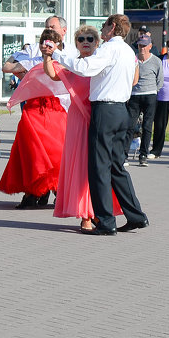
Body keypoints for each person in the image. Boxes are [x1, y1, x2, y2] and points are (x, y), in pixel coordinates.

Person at [58, 14, 149, 236]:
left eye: (104, 25)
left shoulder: (109, 49)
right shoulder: (128, 51)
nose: (102, 29)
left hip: (105, 110)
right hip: (122, 110)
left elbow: (86, 68)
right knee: (117, 167)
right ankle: (136, 215)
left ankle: (106, 221)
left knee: (99, 167)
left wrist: (59, 56)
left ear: (113, 27)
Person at [42, 25, 122, 231]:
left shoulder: (102, 63)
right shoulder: (72, 66)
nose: (85, 42)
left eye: (90, 38)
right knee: (81, 168)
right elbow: (52, 75)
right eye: (81, 39)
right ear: (76, 44)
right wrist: (47, 56)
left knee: (100, 168)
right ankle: (85, 214)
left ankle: (99, 212)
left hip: (99, 117)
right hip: (78, 122)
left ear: (97, 42)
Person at [0, 27, 69, 209]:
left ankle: (37, 193)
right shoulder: (60, 62)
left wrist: (15, 57)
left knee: (36, 153)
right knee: (50, 152)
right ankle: (49, 192)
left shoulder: (34, 62)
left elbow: (6, 67)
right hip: (51, 110)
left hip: (41, 110)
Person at [127, 33, 162, 166]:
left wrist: (153, 91)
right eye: (140, 46)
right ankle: (124, 155)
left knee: (147, 126)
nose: (142, 48)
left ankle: (143, 155)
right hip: (135, 95)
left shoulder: (156, 61)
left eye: (144, 46)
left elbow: (160, 80)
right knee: (129, 125)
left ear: (150, 46)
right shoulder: (133, 59)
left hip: (150, 95)